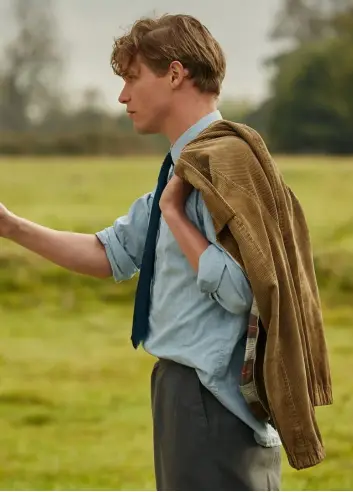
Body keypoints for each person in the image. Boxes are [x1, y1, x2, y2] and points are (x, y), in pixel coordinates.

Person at [0, 13, 332, 491]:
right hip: (184, 391)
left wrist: (176, 216)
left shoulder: (221, 165)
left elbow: (243, 291)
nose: (122, 96)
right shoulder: (185, 167)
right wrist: (10, 226)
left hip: (211, 399)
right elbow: (109, 253)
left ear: (175, 74)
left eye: (132, 78)